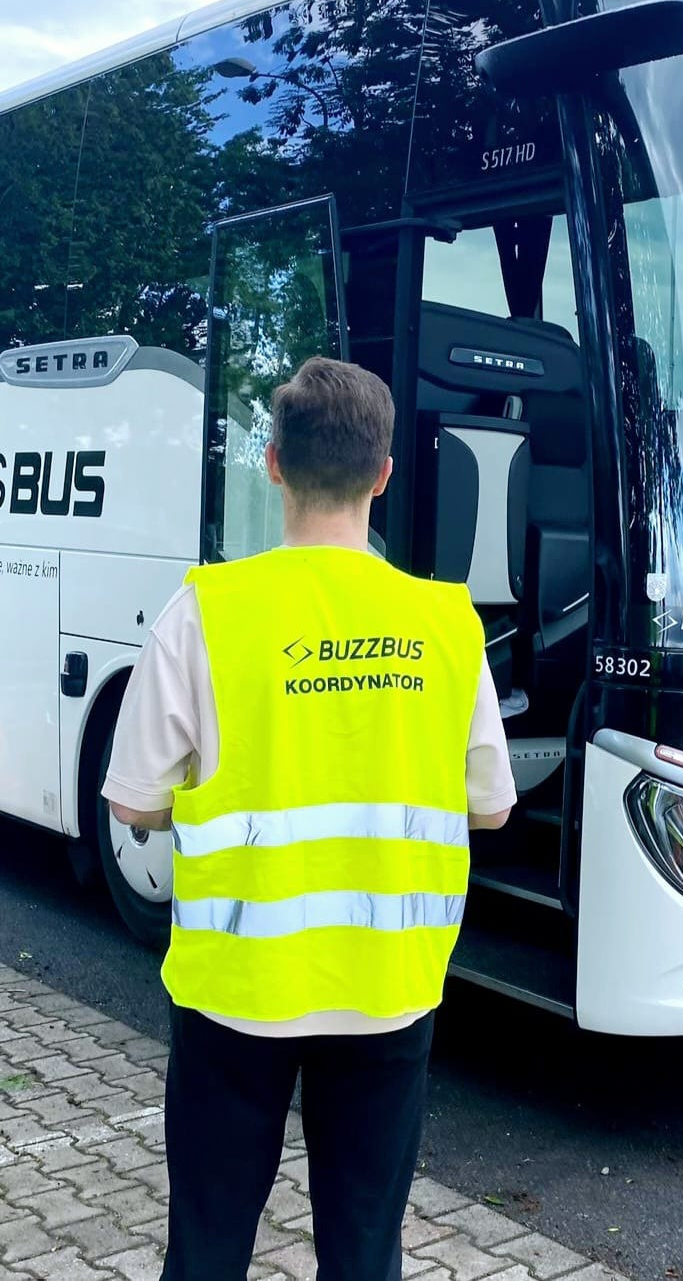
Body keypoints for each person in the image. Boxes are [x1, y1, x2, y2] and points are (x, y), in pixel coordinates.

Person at [102, 356, 516, 1281]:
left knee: (207, 1248)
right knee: (365, 1251)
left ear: (274, 464)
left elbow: (131, 799)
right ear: (384, 473)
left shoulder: (206, 612)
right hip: (387, 988)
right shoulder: (448, 624)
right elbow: (489, 808)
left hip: (237, 990)